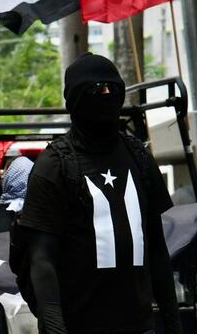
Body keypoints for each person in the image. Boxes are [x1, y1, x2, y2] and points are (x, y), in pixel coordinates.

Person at [19, 53, 182, 333]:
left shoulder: (138, 155)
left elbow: (156, 247)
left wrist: (173, 322)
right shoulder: (55, 165)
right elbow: (41, 259)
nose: (106, 94)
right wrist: (55, 327)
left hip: (139, 324)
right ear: (76, 99)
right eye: (96, 89)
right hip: (80, 324)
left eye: (113, 88)